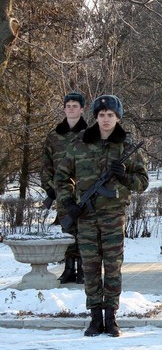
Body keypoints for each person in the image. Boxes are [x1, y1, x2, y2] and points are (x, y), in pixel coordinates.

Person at [55, 95, 149, 337]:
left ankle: (112, 317)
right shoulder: (79, 144)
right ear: (95, 117)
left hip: (113, 216)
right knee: (90, 267)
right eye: (102, 115)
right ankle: (95, 317)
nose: (106, 120)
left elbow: (143, 183)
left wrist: (125, 177)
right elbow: (62, 177)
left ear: (118, 117)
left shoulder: (127, 147)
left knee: (113, 267)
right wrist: (68, 202)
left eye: (110, 115)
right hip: (86, 216)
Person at [40, 91, 88, 284]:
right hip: (62, 191)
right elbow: (46, 164)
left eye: (75, 106)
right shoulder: (54, 135)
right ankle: (69, 269)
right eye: (68, 106)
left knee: (84, 229)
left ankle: (84, 269)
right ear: (64, 108)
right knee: (67, 228)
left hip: (84, 190)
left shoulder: (90, 134)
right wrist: (50, 188)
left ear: (82, 109)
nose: (71, 109)